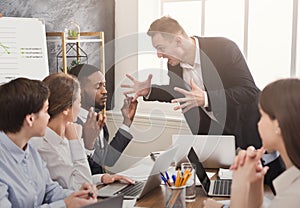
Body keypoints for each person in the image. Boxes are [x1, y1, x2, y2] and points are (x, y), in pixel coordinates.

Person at [121, 16, 285, 189]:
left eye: (161, 48)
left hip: (248, 130)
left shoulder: (224, 49)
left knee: (272, 187)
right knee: (227, 189)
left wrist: (206, 98)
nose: (159, 55)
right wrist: (150, 91)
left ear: (178, 41)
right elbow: (178, 93)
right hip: (217, 140)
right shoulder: (174, 64)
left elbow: (250, 91)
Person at [0, 77, 97, 208]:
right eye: (46, 111)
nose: (49, 116)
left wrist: (78, 196)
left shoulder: (29, 150)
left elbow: (50, 190)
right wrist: (65, 205)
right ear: (30, 119)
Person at [204, 78, 300, 208]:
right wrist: (255, 184)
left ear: (278, 124)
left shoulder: (292, 198)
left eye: (261, 115)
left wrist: (240, 184)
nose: (258, 123)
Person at [30, 73, 134, 191]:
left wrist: (102, 178)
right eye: (78, 102)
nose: (104, 91)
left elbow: (78, 177)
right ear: (66, 109)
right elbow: (78, 187)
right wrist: (77, 142)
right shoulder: (45, 145)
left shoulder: (66, 134)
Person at [69, 64, 138, 174]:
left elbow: (108, 159)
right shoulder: (70, 125)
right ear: (79, 90)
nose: (104, 91)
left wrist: (127, 122)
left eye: (104, 85)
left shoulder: (98, 119)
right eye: (98, 87)